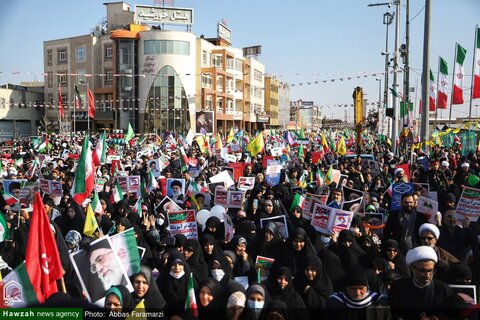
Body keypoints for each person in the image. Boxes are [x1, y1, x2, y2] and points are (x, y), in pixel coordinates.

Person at [389, 245, 453, 319]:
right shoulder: (398, 288)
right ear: (411, 268)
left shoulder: (444, 290)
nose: (427, 275)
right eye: (422, 270)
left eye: (430, 270)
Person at [325, 266, 390, 320]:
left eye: (361, 288)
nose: (357, 293)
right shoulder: (335, 302)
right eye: (353, 289)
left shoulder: (379, 302)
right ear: (346, 288)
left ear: (367, 287)